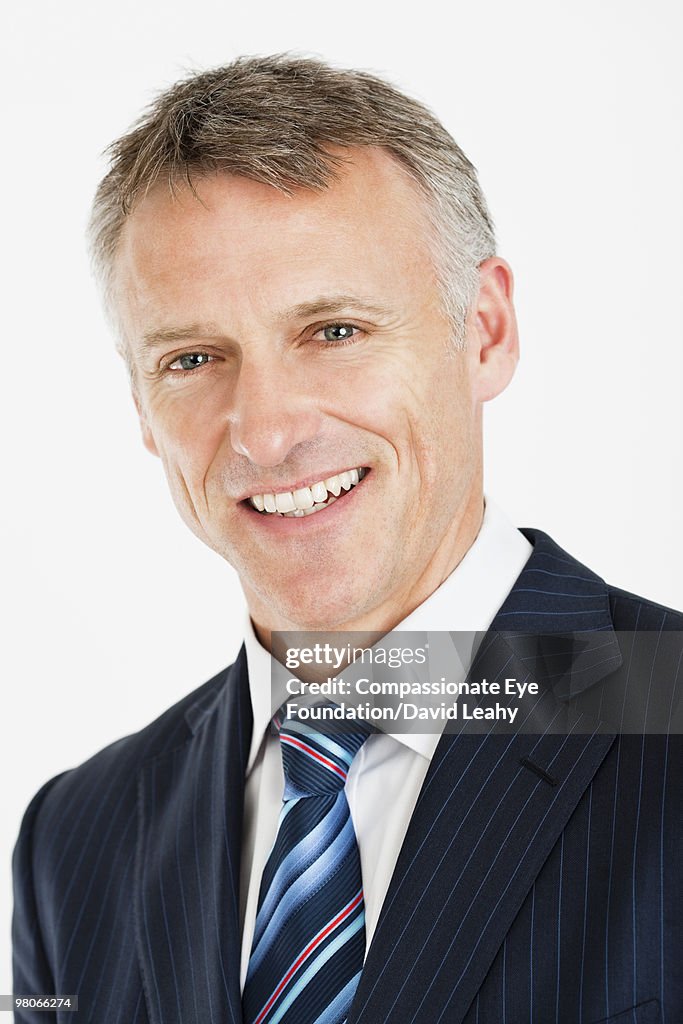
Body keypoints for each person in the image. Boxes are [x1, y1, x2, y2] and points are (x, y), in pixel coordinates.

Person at [12, 54, 681, 1024]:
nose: (267, 430)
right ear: (141, 408)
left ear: (484, 329)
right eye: (194, 358)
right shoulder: (73, 838)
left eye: (332, 331)